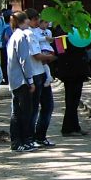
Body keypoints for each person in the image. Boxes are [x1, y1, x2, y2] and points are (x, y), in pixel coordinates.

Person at [6, 12, 38, 153]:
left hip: (14, 80)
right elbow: (24, 60)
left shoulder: (13, 36)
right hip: (22, 81)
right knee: (24, 113)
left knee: (17, 112)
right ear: (24, 21)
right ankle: (22, 141)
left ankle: (19, 141)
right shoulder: (22, 37)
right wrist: (30, 80)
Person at [26, 10, 56, 148]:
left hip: (41, 73)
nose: (39, 22)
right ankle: (31, 137)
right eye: (37, 19)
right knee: (34, 108)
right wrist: (50, 57)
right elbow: (36, 55)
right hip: (35, 74)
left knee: (47, 106)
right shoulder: (29, 34)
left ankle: (40, 136)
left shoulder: (37, 31)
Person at [55, 27, 91, 137]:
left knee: (74, 101)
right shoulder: (61, 31)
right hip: (70, 71)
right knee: (71, 101)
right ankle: (67, 128)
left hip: (77, 70)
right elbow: (60, 50)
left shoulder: (79, 28)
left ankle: (74, 126)